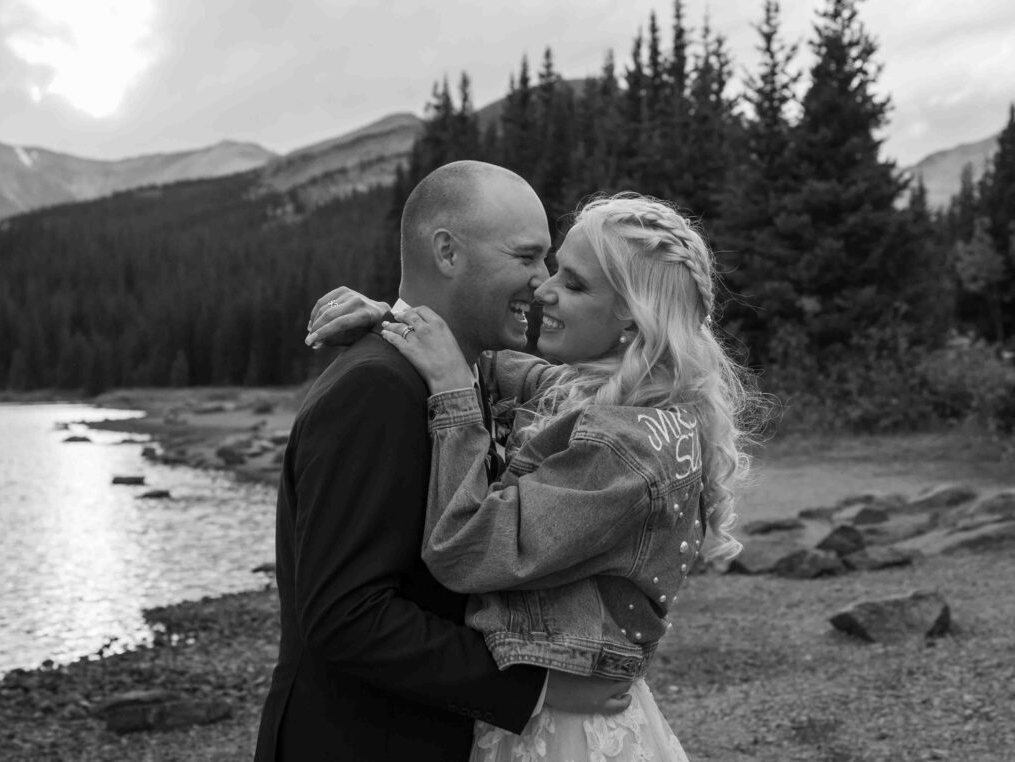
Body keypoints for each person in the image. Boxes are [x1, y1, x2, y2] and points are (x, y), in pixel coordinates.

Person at [306, 192, 760, 761]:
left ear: (633, 316)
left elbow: (467, 549)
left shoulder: (621, 446)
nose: (544, 288)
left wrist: (451, 394)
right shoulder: (608, 400)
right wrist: (397, 317)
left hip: (566, 728)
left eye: (573, 283)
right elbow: (500, 366)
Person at [254, 161, 633, 762]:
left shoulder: (471, 370)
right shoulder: (376, 388)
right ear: (448, 253)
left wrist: (391, 316)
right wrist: (535, 686)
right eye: (527, 256)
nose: (543, 282)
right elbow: (344, 616)